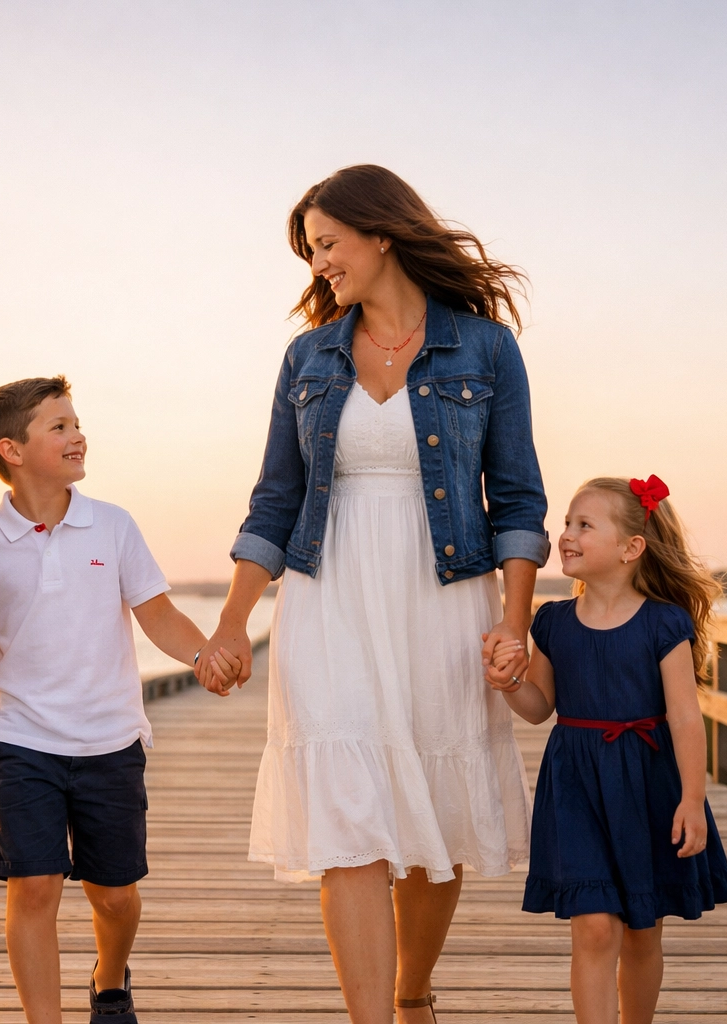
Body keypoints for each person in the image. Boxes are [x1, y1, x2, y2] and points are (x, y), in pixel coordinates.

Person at [195, 165, 549, 1023]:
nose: (318, 265)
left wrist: (514, 625)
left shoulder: (484, 347)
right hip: (329, 597)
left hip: (442, 597)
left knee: (434, 817)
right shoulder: (308, 357)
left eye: (327, 244)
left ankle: (411, 995)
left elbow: (520, 498)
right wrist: (234, 621)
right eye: (310, 253)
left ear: (382, 232)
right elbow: (275, 500)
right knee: (348, 822)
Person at [0, 376, 240, 1024]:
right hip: (23, 738)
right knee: (32, 885)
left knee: (114, 895)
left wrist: (205, 655)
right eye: (58, 426)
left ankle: (111, 979)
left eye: (75, 423)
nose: (77, 435)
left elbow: (156, 614)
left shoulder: (112, 526)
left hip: (110, 740)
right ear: (11, 449)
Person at [490, 476, 727, 1024]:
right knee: (596, 925)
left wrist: (692, 799)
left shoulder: (663, 623)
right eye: (566, 524)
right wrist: (509, 683)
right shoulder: (552, 621)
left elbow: (685, 716)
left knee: (642, 932)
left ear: (631, 548)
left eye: (584, 525)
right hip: (575, 784)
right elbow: (539, 707)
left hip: (648, 782)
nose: (566, 535)